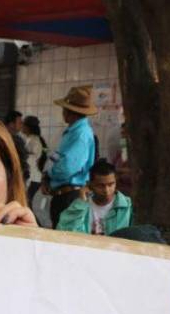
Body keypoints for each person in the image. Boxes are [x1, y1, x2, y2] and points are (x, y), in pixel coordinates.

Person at [46, 86, 97, 229]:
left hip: (70, 196)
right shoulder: (74, 131)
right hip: (64, 194)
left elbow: (67, 168)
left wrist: (49, 173)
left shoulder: (80, 134)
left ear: (70, 112)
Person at [56, 159, 133, 236]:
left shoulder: (127, 207)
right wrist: (81, 204)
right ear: (89, 184)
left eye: (110, 184)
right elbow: (64, 231)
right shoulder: (80, 206)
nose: (106, 190)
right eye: (101, 186)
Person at [22, 115, 48, 206]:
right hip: (35, 177)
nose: (21, 127)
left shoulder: (33, 140)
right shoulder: (34, 139)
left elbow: (30, 160)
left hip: (32, 178)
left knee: (29, 206)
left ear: (27, 127)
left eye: (23, 124)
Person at [4, 110, 31, 184]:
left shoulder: (16, 138)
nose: (22, 125)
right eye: (20, 123)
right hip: (12, 179)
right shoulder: (8, 139)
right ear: (12, 124)